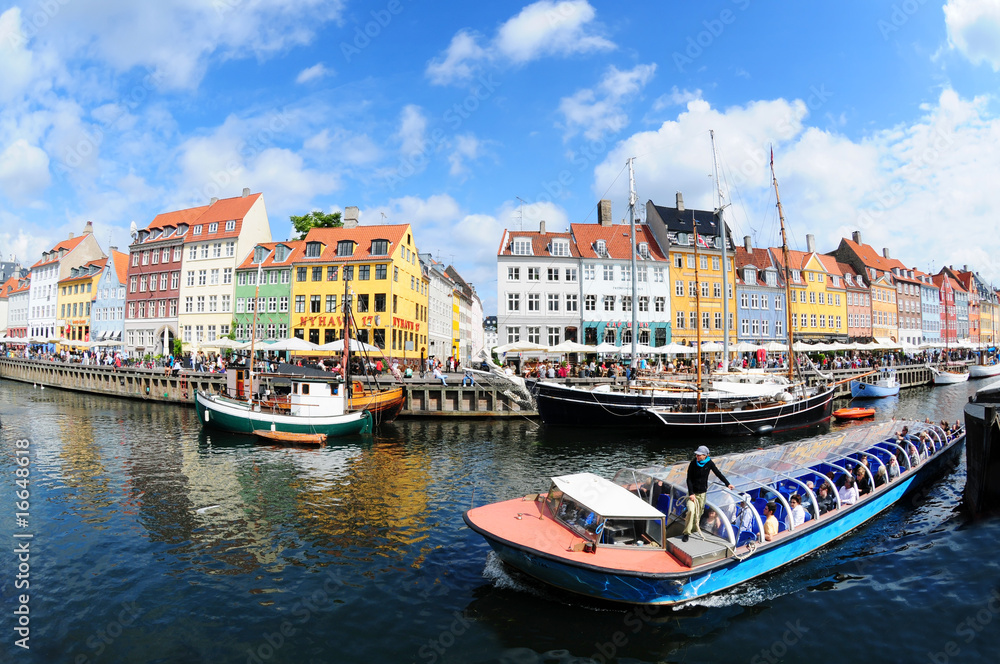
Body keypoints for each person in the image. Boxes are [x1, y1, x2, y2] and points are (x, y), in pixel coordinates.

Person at [681, 445, 734, 543]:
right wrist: (691, 493)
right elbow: (689, 479)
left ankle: (694, 530)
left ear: (705, 455)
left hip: (702, 493)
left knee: (699, 513)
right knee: (691, 511)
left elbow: (718, 473)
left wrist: (727, 483)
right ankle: (686, 533)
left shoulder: (709, 463)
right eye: (696, 455)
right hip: (693, 493)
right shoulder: (693, 463)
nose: (697, 456)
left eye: (699, 455)